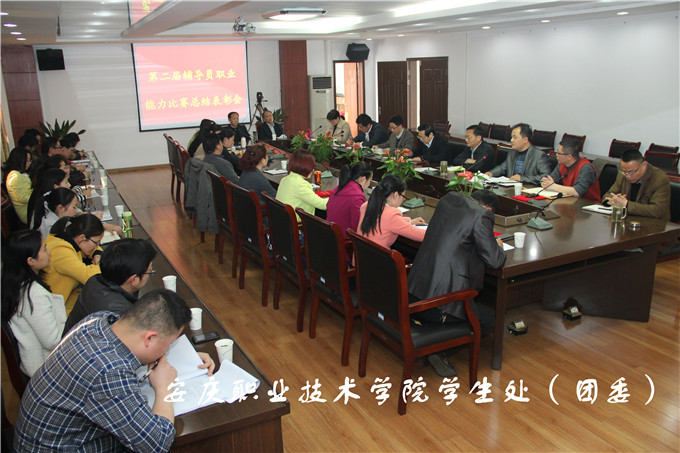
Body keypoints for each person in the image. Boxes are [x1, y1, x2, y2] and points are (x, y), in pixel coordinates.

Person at [14, 289, 215, 452]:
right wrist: (165, 388)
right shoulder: (108, 372)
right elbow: (157, 443)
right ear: (149, 339)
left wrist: (183, 358)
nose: (167, 350)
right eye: (169, 344)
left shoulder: (100, 321)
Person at [407, 189, 506, 377]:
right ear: (488, 209)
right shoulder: (481, 215)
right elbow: (494, 260)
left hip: (413, 292)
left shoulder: (449, 201)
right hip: (437, 307)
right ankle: (438, 350)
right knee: (488, 320)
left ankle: (433, 339)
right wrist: (498, 248)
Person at [1, 230, 67, 377]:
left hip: (34, 361)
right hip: (46, 368)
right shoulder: (33, 294)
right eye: (44, 249)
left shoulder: (13, 283)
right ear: (30, 261)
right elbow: (53, 341)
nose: (49, 252)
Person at [63, 238, 157, 335]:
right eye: (150, 271)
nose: (151, 273)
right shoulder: (119, 316)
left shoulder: (95, 280)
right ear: (133, 280)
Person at [44, 214, 104, 310]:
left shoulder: (68, 241)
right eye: (96, 242)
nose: (97, 246)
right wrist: (102, 263)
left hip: (68, 300)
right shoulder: (61, 251)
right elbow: (89, 276)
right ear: (82, 238)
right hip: (57, 310)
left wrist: (97, 254)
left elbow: (92, 249)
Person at [357, 174, 426, 249]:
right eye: (403, 197)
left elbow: (384, 221)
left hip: (361, 255)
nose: (402, 201)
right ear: (396, 195)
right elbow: (421, 236)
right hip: (380, 256)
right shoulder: (392, 215)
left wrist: (410, 221)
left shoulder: (366, 205)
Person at [603, 149, 671, 220]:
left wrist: (626, 204)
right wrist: (612, 200)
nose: (628, 176)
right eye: (624, 171)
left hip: (653, 223)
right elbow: (608, 195)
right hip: (628, 219)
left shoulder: (660, 179)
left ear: (643, 165)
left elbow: (658, 210)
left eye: (631, 172)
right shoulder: (623, 174)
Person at [485, 123, 551, 185]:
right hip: (510, 186)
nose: (511, 140)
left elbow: (545, 176)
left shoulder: (539, 155)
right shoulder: (512, 152)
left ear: (525, 140)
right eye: (511, 137)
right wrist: (491, 173)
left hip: (527, 188)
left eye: (515, 137)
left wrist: (522, 178)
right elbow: (502, 168)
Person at [541, 137, 601, 202]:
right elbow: (551, 180)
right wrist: (545, 182)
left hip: (587, 204)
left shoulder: (585, 168)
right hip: (569, 201)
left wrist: (552, 186)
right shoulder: (562, 164)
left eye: (559, 153)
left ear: (569, 156)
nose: (556, 155)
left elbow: (577, 192)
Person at [276, 149, 328, 220]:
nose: (313, 170)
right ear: (305, 167)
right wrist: (337, 201)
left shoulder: (285, 179)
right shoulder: (300, 185)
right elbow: (323, 205)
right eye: (312, 167)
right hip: (297, 224)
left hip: (281, 221)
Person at [326, 161, 372, 236]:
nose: (369, 183)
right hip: (344, 239)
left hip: (330, 235)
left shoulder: (339, 188)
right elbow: (357, 227)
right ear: (363, 179)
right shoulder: (357, 196)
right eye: (370, 180)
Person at [4, 147, 33, 223]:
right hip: (27, 212)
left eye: (30, 160)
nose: (29, 163)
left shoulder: (20, 174)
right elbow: (22, 198)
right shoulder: (15, 176)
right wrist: (37, 196)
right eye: (27, 160)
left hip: (30, 208)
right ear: (19, 160)